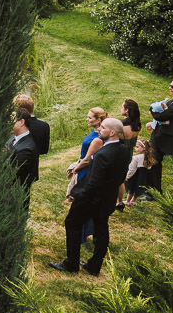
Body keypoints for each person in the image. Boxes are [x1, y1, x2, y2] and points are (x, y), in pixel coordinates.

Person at [49, 117, 129, 277]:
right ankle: (94, 266)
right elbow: (122, 176)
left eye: (103, 127)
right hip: (108, 198)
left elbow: (93, 183)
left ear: (112, 132)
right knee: (101, 228)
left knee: (72, 222)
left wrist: (79, 196)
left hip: (92, 199)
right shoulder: (124, 150)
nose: (99, 129)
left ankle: (71, 263)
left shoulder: (102, 155)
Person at [67, 107, 107, 243]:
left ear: (99, 120)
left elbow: (88, 159)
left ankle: (82, 233)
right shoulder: (96, 132)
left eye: (90, 117)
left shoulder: (98, 139)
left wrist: (75, 169)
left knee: (81, 201)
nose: (87, 119)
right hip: (84, 164)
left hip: (87, 169)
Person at [147, 77, 173, 197]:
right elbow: (162, 112)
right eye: (170, 85)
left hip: (164, 138)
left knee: (153, 162)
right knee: (152, 162)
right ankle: (152, 190)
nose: (170, 88)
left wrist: (154, 111)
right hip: (160, 134)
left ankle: (153, 193)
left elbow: (160, 116)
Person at [5, 108, 39, 211]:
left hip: (14, 201)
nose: (8, 122)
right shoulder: (12, 137)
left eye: (12, 119)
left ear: (21, 122)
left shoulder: (26, 149)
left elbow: (12, 175)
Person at [116, 99, 141, 210]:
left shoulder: (122, 124)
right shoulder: (137, 124)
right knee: (120, 179)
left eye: (122, 107)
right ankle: (119, 201)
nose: (121, 108)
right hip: (129, 153)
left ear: (127, 110)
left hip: (119, 152)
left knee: (112, 177)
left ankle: (112, 201)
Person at [123, 140, 156, 206]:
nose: (135, 148)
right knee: (138, 188)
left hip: (135, 175)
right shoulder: (148, 157)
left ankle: (127, 201)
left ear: (144, 148)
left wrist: (128, 176)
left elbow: (132, 169)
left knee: (131, 189)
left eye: (137, 147)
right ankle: (133, 200)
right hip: (143, 176)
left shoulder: (136, 158)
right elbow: (149, 167)